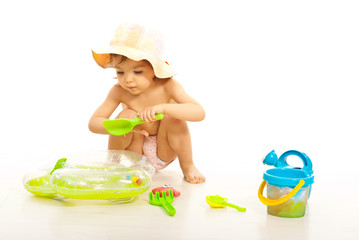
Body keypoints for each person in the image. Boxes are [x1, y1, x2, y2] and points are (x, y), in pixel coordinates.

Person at [88, 23, 206, 183]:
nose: (128, 79)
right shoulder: (118, 91)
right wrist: (125, 125)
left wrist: (165, 108)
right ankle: (112, 164)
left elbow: (199, 112)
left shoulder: (169, 86)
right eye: (120, 72)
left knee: (173, 117)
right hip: (133, 155)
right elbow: (94, 124)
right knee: (126, 114)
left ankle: (188, 165)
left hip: (163, 151)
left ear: (155, 69)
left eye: (138, 72)